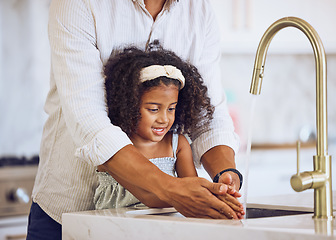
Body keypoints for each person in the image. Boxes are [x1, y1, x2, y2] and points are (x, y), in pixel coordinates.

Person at [27, 1, 242, 239]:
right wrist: (172, 189)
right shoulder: (79, 3)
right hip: (65, 212)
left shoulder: (198, 9)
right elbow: (91, 123)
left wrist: (226, 175)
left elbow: (208, 116)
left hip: (157, 226)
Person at [94, 46, 244, 214]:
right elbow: (150, 196)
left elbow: (193, 188)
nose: (164, 119)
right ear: (127, 106)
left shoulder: (177, 144)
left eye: (171, 108)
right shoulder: (114, 146)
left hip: (167, 228)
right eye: (153, 109)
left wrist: (218, 191)